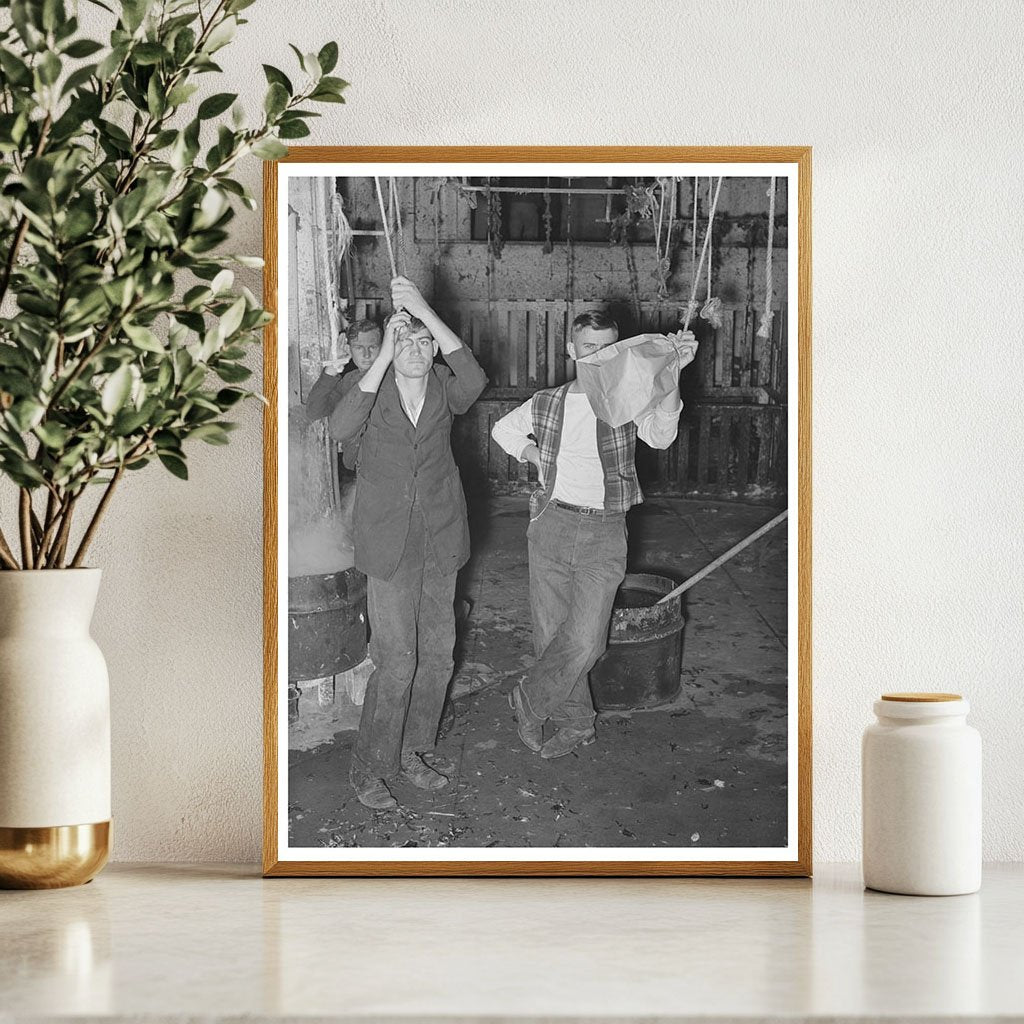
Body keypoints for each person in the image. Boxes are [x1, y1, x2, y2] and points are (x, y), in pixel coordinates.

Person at [491, 310, 696, 759]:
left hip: (604, 531)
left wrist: (672, 373)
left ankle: (529, 699)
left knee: (586, 640)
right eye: (589, 348)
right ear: (572, 351)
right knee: (551, 635)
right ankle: (577, 723)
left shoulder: (627, 401)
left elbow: (662, 437)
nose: (599, 356)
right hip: (550, 525)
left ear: (619, 352)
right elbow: (501, 430)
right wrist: (534, 454)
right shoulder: (548, 401)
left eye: (608, 348)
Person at [330, 277, 488, 810]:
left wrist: (422, 312)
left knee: (439, 655)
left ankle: (416, 750)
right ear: (392, 351)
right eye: (408, 343)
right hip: (389, 544)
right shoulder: (372, 395)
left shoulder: (446, 384)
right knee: (397, 660)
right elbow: (339, 426)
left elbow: (475, 375)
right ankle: (371, 766)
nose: (418, 351)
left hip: (441, 538)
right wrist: (382, 358)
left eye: (425, 342)